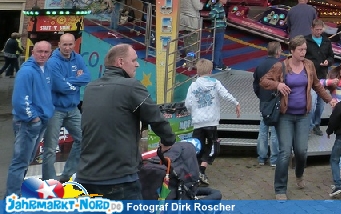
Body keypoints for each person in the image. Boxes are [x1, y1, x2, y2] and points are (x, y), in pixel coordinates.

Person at [77, 44, 176, 200]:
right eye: (134, 60)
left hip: (85, 176)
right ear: (120, 62)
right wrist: (168, 140)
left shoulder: (91, 88)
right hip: (118, 177)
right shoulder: (131, 86)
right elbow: (156, 118)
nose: (137, 64)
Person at [260, 36, 335, 200]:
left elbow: (317, 85)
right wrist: (277, 84)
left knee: (301, 151)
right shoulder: (281, 66)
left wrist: (330, 100)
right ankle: (280, 189)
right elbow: (263, 81)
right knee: (285, 152)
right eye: (300, 49)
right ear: (292, 50)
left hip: (303, 115)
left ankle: (299, 174)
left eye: (305, 49)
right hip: (285, 116)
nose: (303, 52)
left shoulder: (308, 65)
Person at [6, 41, 53, 197]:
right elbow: (20, 100)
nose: (43, 54)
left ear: (50, 53)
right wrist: (33, 118)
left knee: (25, 160)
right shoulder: (27, 71)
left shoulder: (44, 68)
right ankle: (12, 197)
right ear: (33, 51)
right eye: (39, 51)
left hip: (39, 121)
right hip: (27, 123)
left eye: (46, 52)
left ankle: (16, 193)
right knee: (20, 162)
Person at [185, 59, 241, 185]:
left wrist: (192, 112)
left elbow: (188, 103)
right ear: (211, 71)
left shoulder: (193, 85)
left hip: (198, 121)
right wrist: (236, 103)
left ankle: (194, 171)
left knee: (197, 146)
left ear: (198, 71)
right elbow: (225, 95)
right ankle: (202, 170)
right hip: (211, 121)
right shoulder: (215, 83)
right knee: (211, 146)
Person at [42, 33, 89, 182]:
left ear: (74, 44)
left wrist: (68, 81)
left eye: (70, 44)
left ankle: (67, 175)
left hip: (73, 109)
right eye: (64, 45)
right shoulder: (52, 62)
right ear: (59, 45)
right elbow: (59, 86)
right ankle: (49, 182)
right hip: (55, 110)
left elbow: (87, 78)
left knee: (84, 139)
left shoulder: (78, 58)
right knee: (50, 148)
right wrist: (76, 81)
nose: (68, 48)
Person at [253, 41, 282, 167]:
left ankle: (261, 157)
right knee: (275, 131)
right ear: (277, 51)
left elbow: (256, 84)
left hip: (264, 101)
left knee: (263, 130)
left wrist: (261, 95)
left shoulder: (260, 65)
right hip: (276, 101)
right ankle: (274, 159)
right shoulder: (280, 66)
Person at [305, 18, 335, 136]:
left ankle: (316, 124)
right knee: (311, 103)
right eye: (316, 30)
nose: (318, 32)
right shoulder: (306, 41)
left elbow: (331, 56)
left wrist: (328, 61)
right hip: (310, 76)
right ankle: (309, 125)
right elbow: (304, 57)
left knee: (321, 104)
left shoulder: (327, 42)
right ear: (311, 29)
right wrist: (316, 64)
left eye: (320, 30)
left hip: (322, 76)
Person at [180, 0, 203, 70]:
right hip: (192, 21)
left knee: (187, 42)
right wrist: (202, 4)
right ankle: (191, 63)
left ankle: (188, 61)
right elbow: (198, 6)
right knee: (193, 44)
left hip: (182, 20)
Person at [208, 0, 230, 71]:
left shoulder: (219, 7)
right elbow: (210, 15)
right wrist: (220, 16)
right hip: (218, 29)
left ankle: (220, 64)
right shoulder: (218, 7)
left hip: (219, 29)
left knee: (218, 48)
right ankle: (217, 64)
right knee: (218, 48)